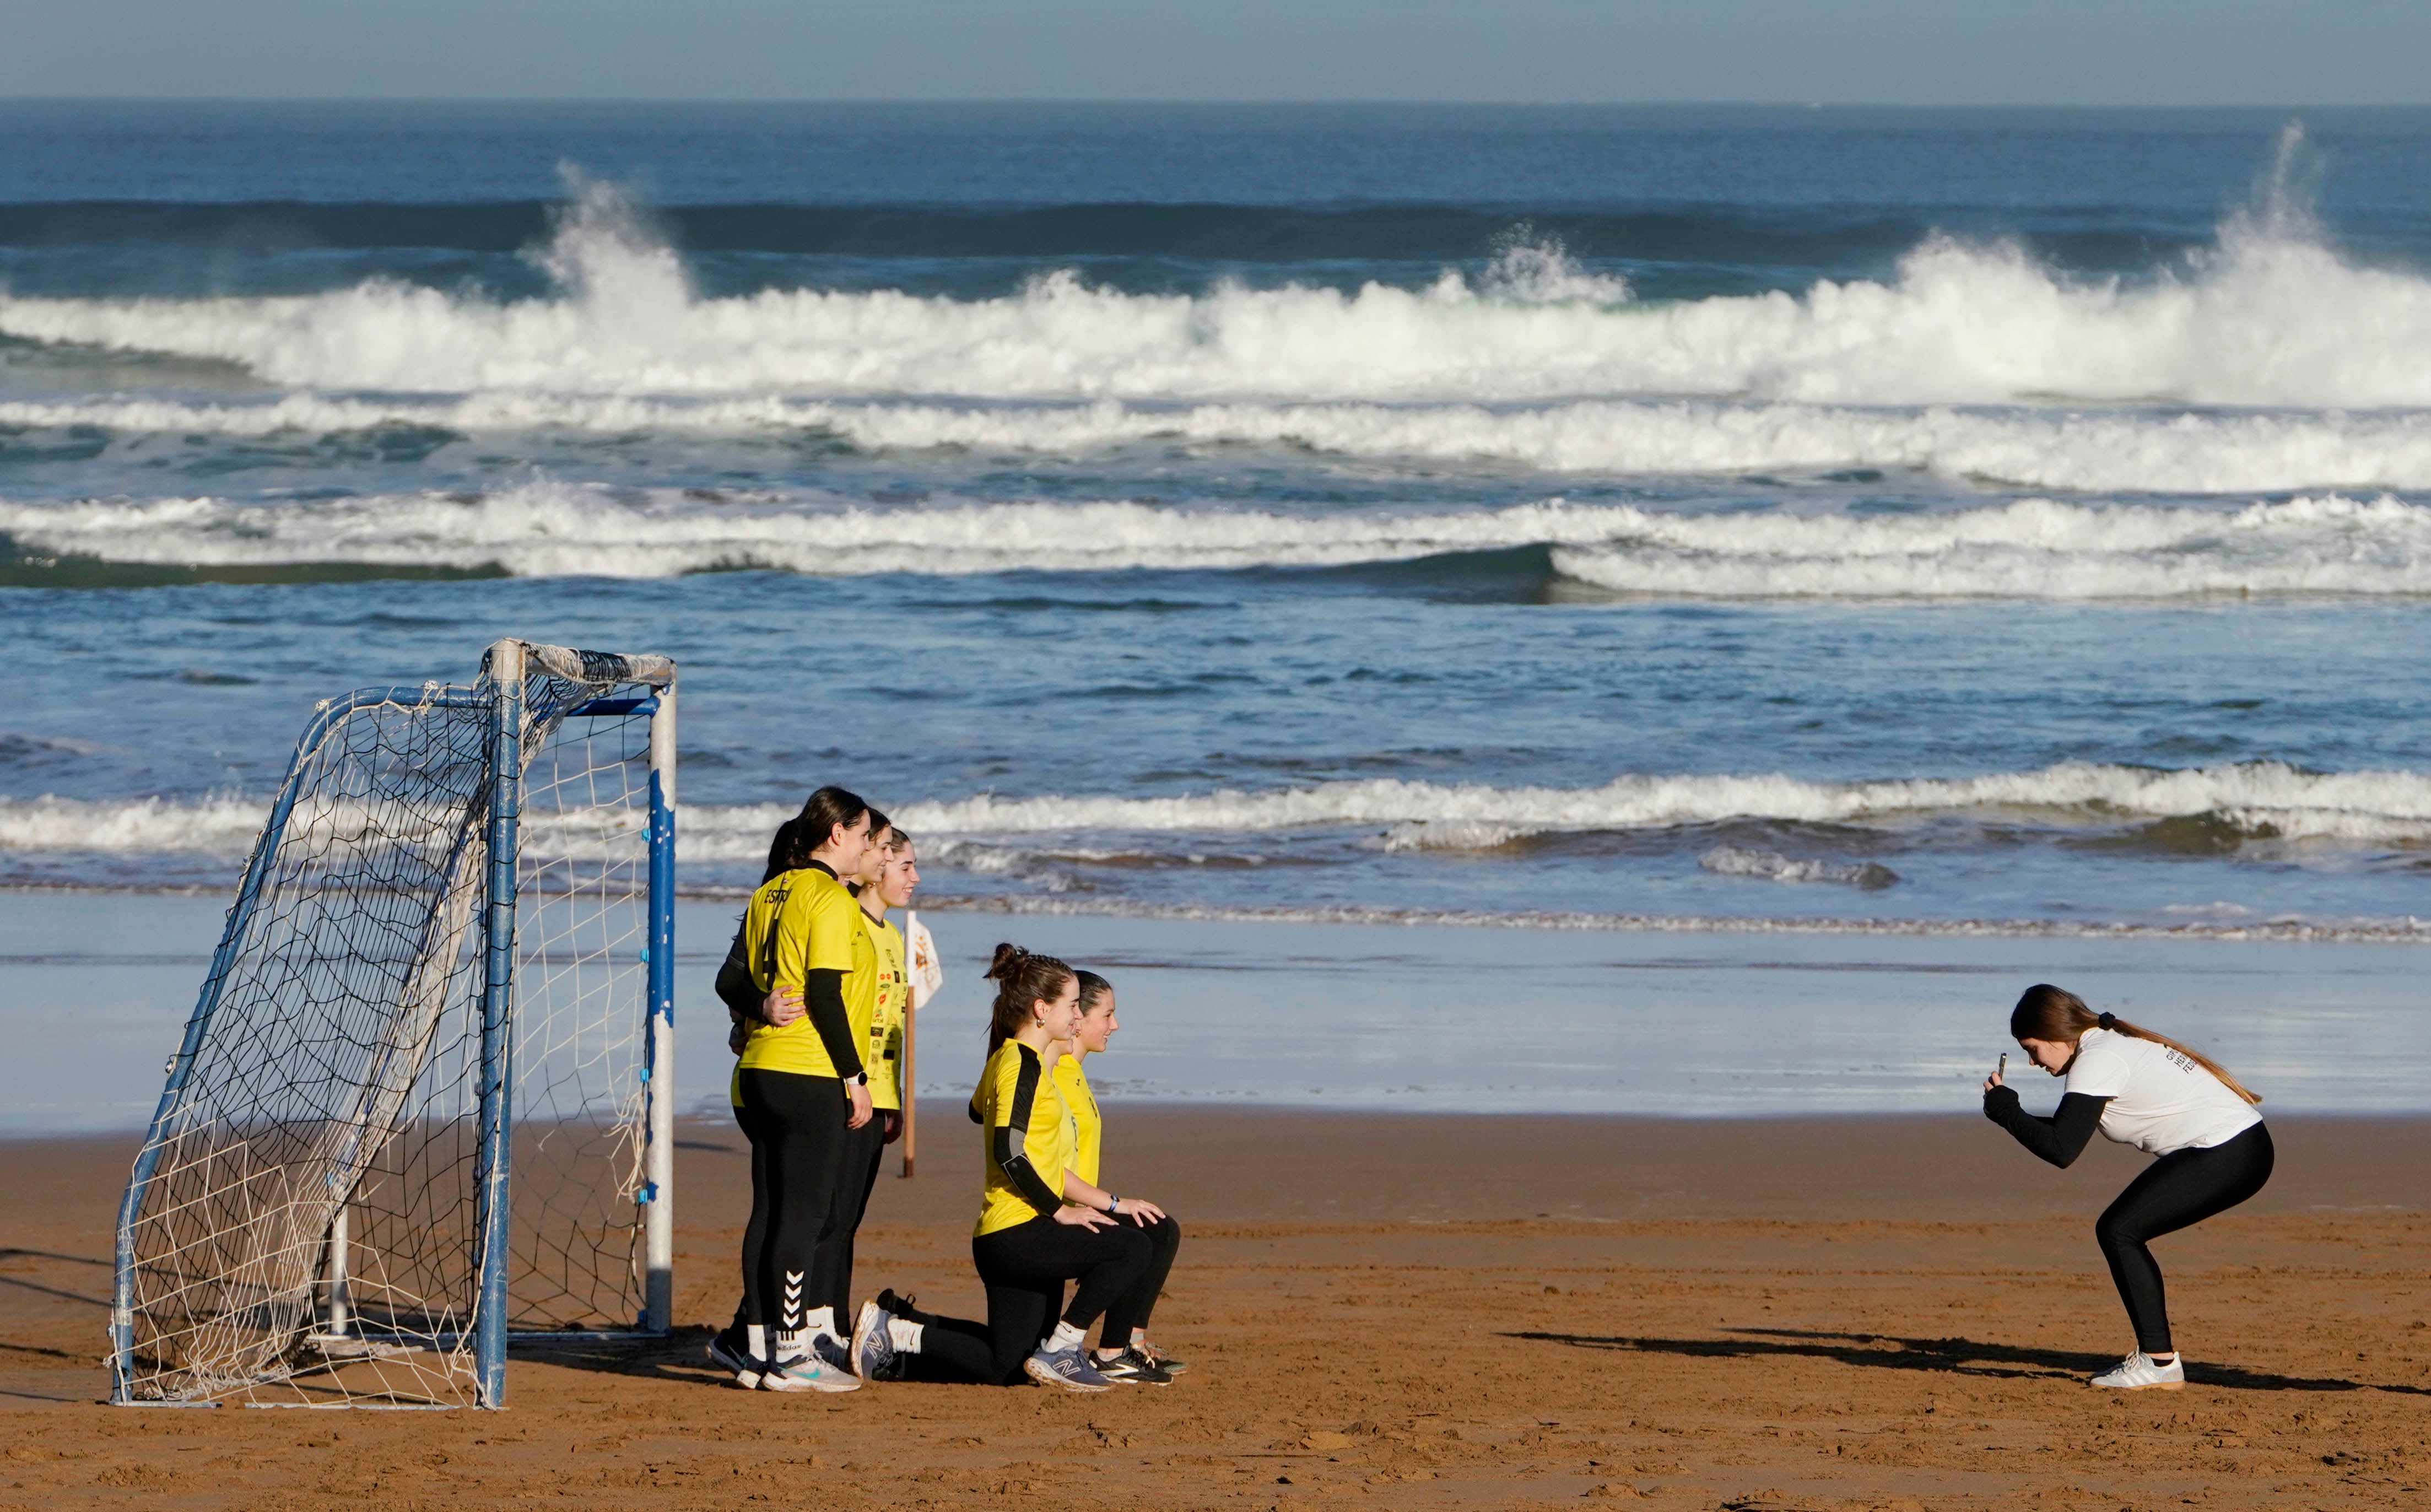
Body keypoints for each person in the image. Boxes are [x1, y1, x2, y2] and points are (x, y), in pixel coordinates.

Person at [848, 944, 1152, 1392]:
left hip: (1016, 1236)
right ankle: (1064, 1347)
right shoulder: (1021, 1065)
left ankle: (897, 1332)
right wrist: (1060, 1210)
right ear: (1041, 1009)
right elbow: (1009, 1151)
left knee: (1007, 1365)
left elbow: (978, 1111)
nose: (1076, 1015)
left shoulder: (1020, 1062)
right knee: (1132, 1249)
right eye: (1071, 1005)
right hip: (1016, 1233)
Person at [1982, 983, 2272, 1391]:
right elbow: (2071, 1131)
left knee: (2120, 1231)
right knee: (2121, 1230)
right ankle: (2158, 1360)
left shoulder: (2098, 1058)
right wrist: (2011, 1115)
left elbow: (2062, 1150)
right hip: (2240, 1147)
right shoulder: (2102, 1046)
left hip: (2228, 1151)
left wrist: (2008, 1112)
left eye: (2033, 1049)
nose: (2033, 1063)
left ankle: (2159, 1363)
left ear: (2057, 1036)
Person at [707, 786, 877, 1392]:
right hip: (806, 1074)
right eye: (862, 834)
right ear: (836, 834)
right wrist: (854, 1078)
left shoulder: (767, 891)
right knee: (803, 1217)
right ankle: (789, 1351)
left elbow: (727, 978)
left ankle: (756, 1349)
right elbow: (826, 996)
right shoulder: (827, 898)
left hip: (756, 1074)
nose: (865, 846)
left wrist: (757, 1004)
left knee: (771, 1210)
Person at [1057, 970, 1185, 1383]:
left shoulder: (1074, 1072)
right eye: (1108, 1014)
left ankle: (1127, 1344)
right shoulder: (1056, 1074)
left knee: (1159, 1228)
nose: (1116, 1025)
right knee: (1151, 1232)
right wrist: (1109, 1204)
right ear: (1079, 1017)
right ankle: (1115, 1351)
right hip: (1056, 1214)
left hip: (1080, 1206)